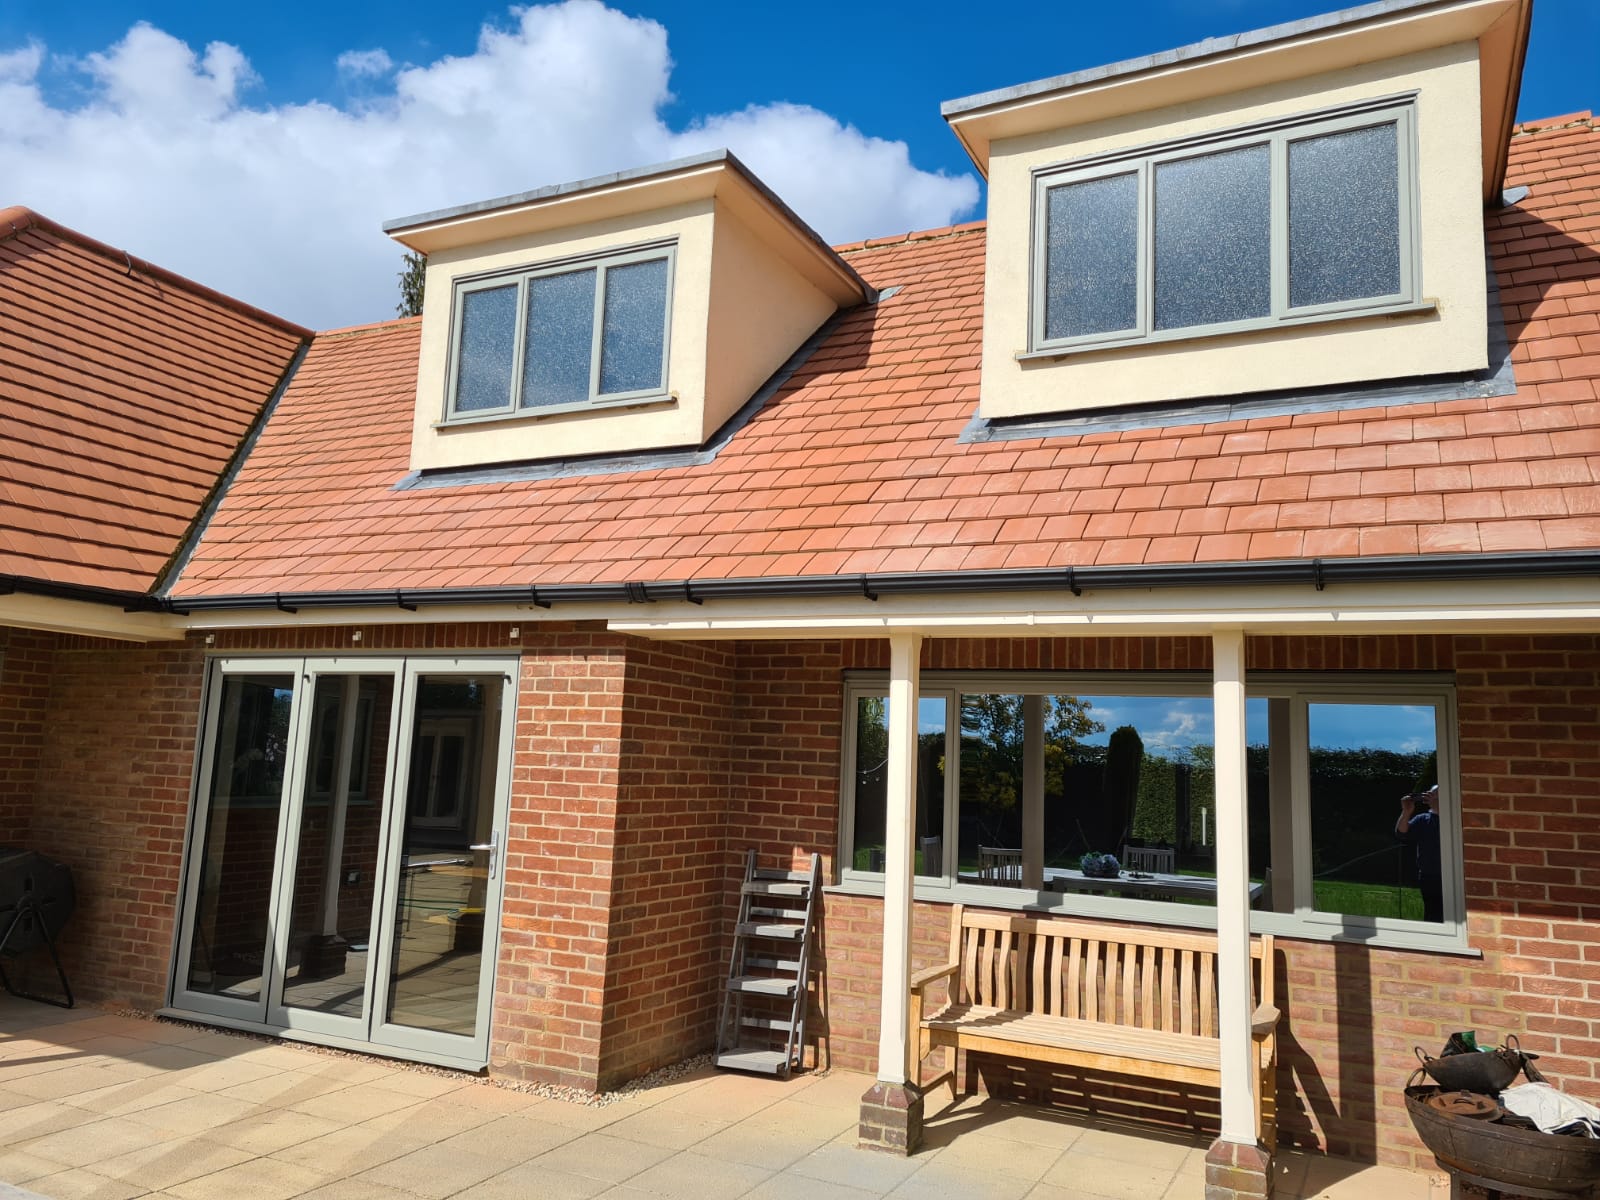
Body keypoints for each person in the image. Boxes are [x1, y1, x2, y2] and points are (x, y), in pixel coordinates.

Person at [1395, 785, 1443, 922]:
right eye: (1428, 793)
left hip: (1452, 875)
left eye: (1433, 794)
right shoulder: (1423, 819)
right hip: (1429, 875)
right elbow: (1402, 833)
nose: (1428, 796)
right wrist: (1406, 811)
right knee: (1432, 913)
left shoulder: (1454, 818)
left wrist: (1440, 807)